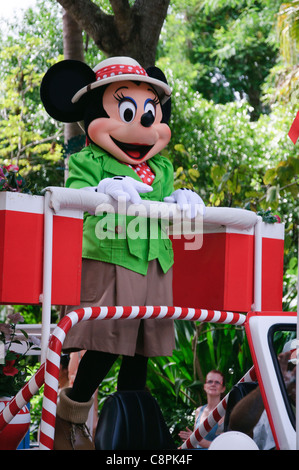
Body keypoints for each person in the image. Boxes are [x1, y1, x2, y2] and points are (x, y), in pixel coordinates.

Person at [40, 56, 205, 450]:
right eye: (127, 110)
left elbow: (167, 204)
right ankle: (71, 414)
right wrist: (102, 189)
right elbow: (74, 196)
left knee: (141, 348)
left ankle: (132, 436)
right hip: (111, 259)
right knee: (107, 340)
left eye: (150, 111)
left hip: (153, 263)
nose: (142, 123)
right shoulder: (86, 160)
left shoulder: (160, 168)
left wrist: (182, 197)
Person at [179, 370, 226, 449]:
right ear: (205, 386)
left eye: (217, 382)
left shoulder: (225, 411)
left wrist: (195, 439)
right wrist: (188, 442)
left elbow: (224, 446)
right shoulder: (199, 410)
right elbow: (195, 445)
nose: (213, 384)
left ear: (223, 389)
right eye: (210, 381)